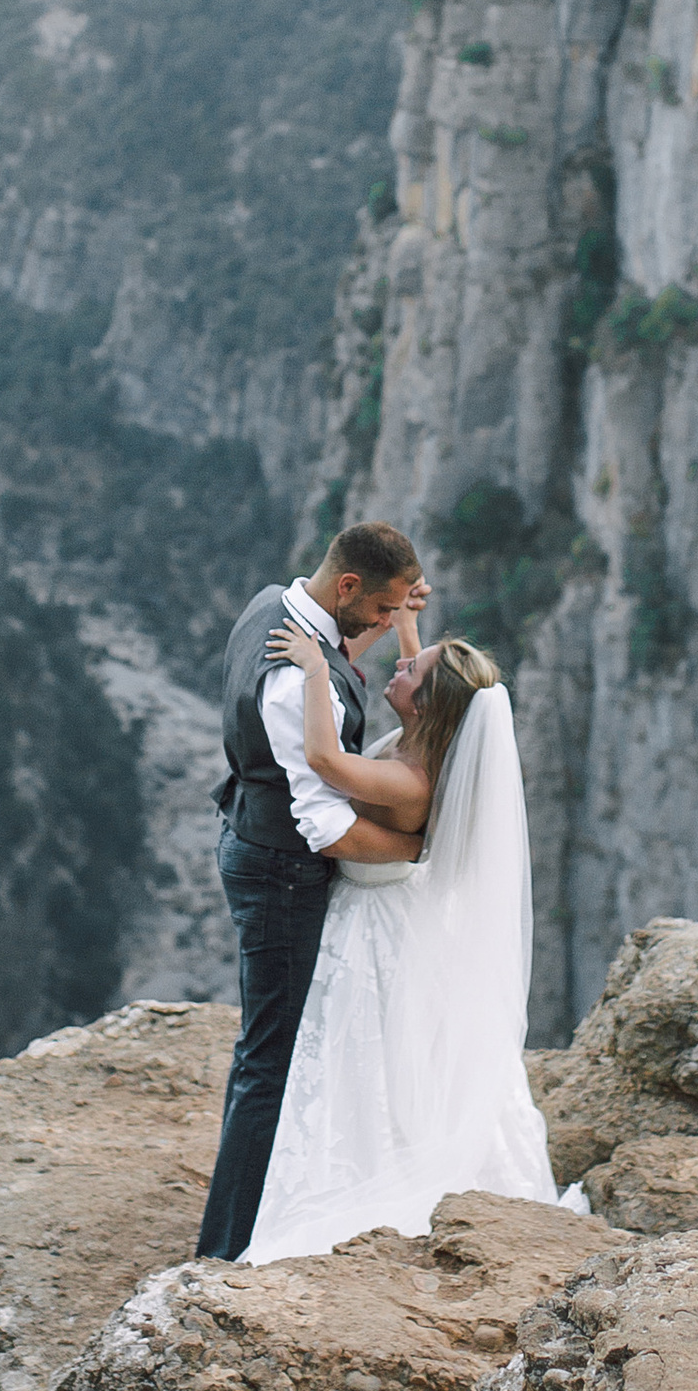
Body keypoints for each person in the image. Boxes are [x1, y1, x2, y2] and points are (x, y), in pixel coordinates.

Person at [235, 594, 559, 1263]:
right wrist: (406, 621)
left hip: (375, 925)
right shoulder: (426, 737)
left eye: (411, 672)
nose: (399, 668)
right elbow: (419, 668)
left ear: (425, 707)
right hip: (387, 904)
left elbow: (325, 761)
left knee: (369, 1066)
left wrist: (316, 670)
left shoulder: (411, 780)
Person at [194, 521, 428, 1263]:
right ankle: (225, 1251)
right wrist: (418, 853)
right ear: (350, 587)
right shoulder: (297, 680)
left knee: (272, 1050)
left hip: (251, 838)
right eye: (386, 610)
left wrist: (402, 628)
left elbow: (340, 653)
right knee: (269, 1060)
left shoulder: (277, 607)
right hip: (282, 871)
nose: (390, 625)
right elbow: (326, 828)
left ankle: (253, 1218)